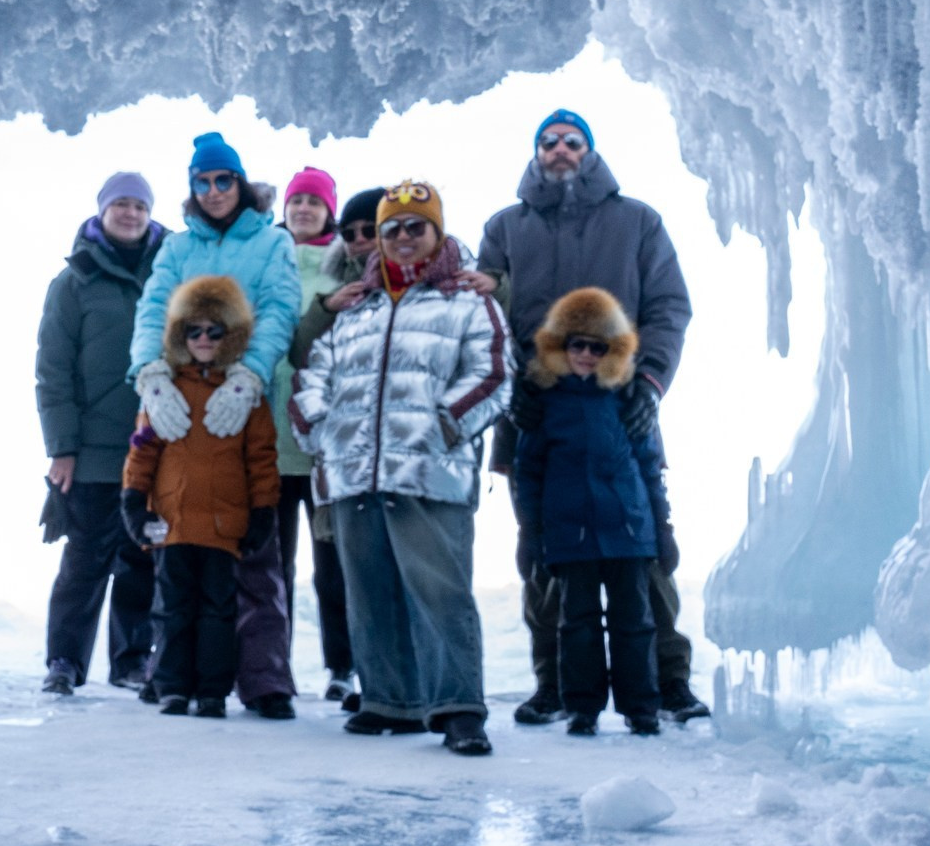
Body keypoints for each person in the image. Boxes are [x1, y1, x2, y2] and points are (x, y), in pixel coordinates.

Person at [477, 109, 705, 726]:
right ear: (535, 153)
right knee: (546, 549)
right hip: (532, 414)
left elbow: (668, 306)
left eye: (571, 142)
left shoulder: (637, 222)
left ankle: (667, 681)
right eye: (548, 142)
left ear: (591, 151)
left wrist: (650, 382)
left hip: (621, 410)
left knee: (643, 553)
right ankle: (555, 685)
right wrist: (511, 387)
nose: (560, 150)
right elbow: (487, 317)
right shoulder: (504, 227)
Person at [291, 181, 509, 756]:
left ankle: (459, 707)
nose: (403, 238)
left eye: (417, 227)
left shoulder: (466, 301)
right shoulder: (355, 307)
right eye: (392, 230)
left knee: (439, 591)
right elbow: (314, 373)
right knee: (370, 589)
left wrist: (444, 424)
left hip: (429, 470)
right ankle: (392, 700)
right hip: (352, 470)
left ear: (437, 233)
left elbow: (491, 374)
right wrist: (317, 428)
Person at [129, 133, 303, 717]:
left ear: (240, 183)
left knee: (253, 550)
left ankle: (264, 677)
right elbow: (153, 307)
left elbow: (280, 308)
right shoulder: (178, 247)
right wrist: (150, 372)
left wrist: (251, 373)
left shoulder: (271, 240)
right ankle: (172, 671)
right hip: (181, 402)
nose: (213, 192)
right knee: (179, 556)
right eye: (202, 183)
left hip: (245, 403)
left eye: (222, 180)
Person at [511, 288, 671, 736]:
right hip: (570, 533)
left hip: (627, 530)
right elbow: (529, 471)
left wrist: (663, 528)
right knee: (576, 623)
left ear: (612, 350)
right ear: (559, 347)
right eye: (575, 344)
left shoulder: (627, 400)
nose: (584, 354)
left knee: (634, 623)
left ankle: (642, 707)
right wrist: (531, 532)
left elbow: (649, 465)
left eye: (596, 346)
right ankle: (582, 707)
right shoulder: (545, 401)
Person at [121, 276, 281, 718]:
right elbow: (141, 451)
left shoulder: (247, 397)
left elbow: (261, 460)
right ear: (179, 336)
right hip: (171, 525)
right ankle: (171, 686)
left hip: (223, 526)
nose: (204, 340)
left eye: (215, 331)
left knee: (218, 612)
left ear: (232, 337)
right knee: (172, 610)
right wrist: (134, 501)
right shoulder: (165, 393)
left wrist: (263, 512)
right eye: (195, 331)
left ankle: (212, 690)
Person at [34, 173, 163, 695]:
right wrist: (61, 448)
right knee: (86, 559)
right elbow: (53, 371)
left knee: (142, 559)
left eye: (139, 205)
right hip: (92, 449)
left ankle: (131, 661)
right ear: (102, 211)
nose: (130, 214)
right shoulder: (73, 282)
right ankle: (64, 661)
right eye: (120, 205)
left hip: (158, 443)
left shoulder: (172, 271)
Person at [272, 168, 357, 703]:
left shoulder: (344, 264)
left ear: (330, 210)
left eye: (314, 201)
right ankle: (272, 666)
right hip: (271, 435)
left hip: (327, 442)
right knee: (272, 564)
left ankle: (342, 667)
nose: (303, 209)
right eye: (296, 200)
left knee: (334, 566)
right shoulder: (269, 258)